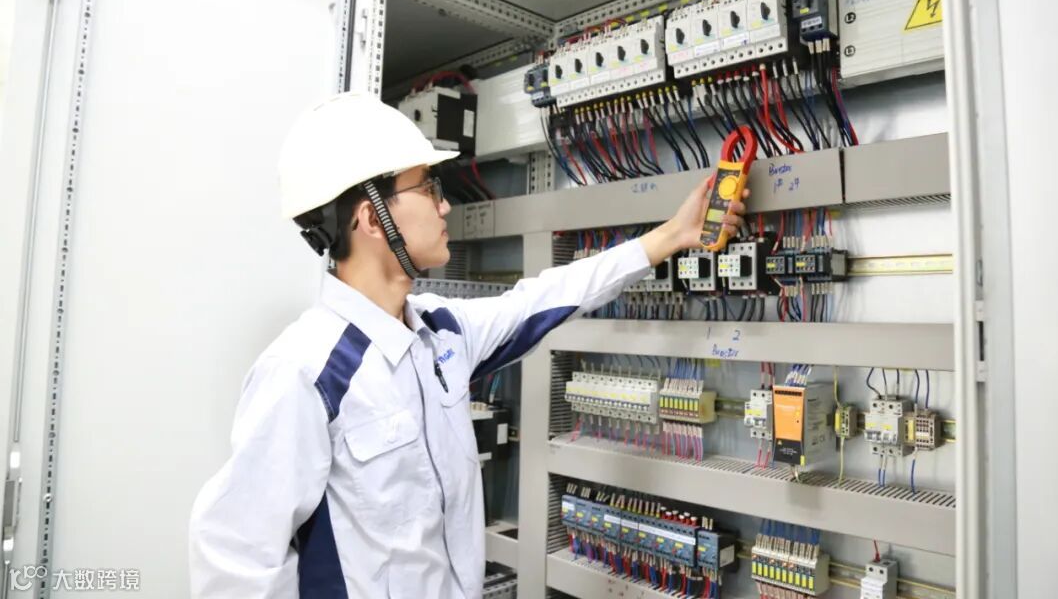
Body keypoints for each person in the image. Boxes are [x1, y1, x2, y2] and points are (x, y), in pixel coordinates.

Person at [188, 92, 747, 598]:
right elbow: (236, 563)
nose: (444, 205)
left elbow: (545, 298)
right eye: (427, 188)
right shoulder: (307, 371)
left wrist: (672, 236)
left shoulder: (441, 332)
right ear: (372, 218)